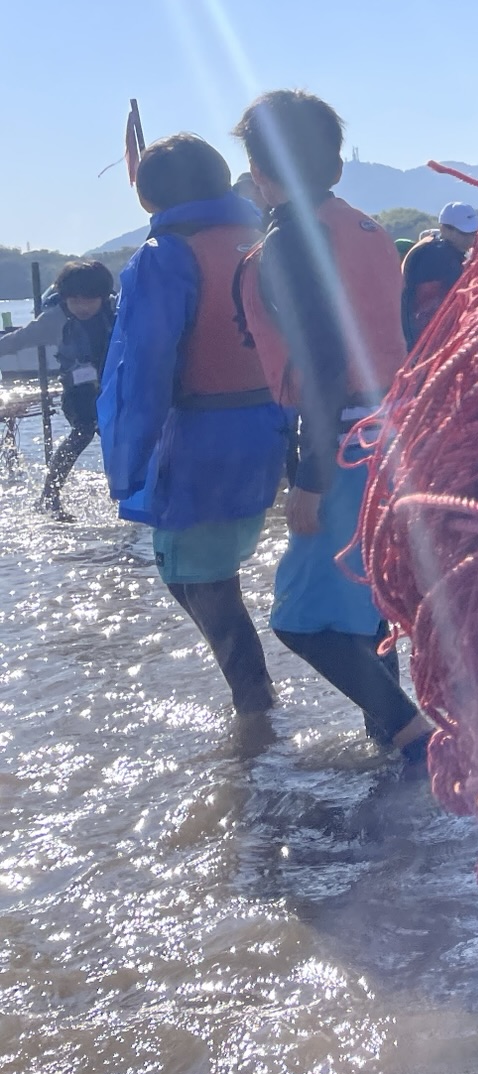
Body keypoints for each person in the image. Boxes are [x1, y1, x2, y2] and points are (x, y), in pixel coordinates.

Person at [232, 90, 433, 761]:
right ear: (336, 165)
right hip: (394, 429)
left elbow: (320, 362)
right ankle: (393, 748)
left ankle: (410, 736)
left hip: (344, 438)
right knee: (370, 595)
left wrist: (310, 481)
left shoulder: (292, 241)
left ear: (260, 172)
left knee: (300, 620)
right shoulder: (366, 228)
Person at [97, 135, 288, 715]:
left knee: (204, 584)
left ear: (148, 195)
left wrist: (127, 463)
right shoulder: (259, 241)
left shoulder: (163, 256)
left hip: (202, 435)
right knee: (196, 576)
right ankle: (257, 712)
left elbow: (144, 367)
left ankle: (257, 720)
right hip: (268, 425)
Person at [0, 259, 119, 517]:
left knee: (119, 440)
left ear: (103, 296)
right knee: (83, 433)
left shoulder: (118, 313)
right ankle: (49, 496)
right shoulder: (54, 319)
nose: (81, 307)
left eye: (88, 300)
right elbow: (17, 340)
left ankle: (122, 495)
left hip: (113, 388)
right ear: (63, 298)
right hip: (79, 394)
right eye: (74, 300)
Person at [399, 200, 478, 346]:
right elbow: (428, 308)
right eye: (464, 234)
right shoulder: (437, 256)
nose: (470, 239)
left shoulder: (438, 250)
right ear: (444, 229)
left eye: (473, 234)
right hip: (428, 342)